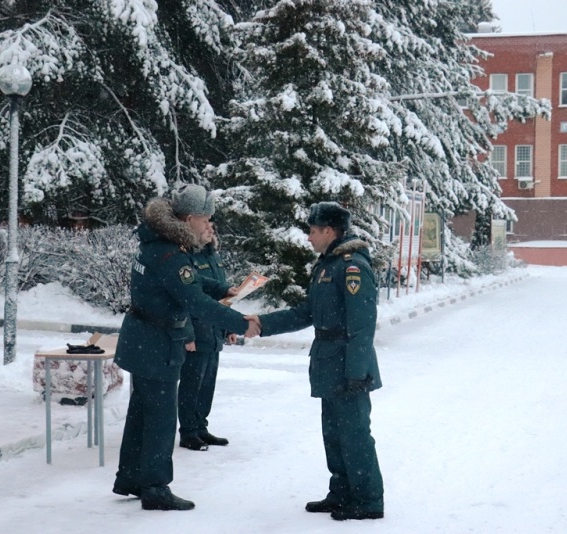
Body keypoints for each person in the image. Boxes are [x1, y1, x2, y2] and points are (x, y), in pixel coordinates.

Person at [112, 184, 260, 511]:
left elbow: (188, 279)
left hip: (143, 339)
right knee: (161, 418)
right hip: (156, 343)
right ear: (190, 218)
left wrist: (223, 287)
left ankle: (131, 477)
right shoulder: (170, 253)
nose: (209, 226)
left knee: (141, 412)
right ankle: (155, 488)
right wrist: (240, 323)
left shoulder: (160, 244)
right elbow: (194, 299)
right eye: (206, 219)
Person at [247, 201, 384, 521]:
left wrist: (356, 371)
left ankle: (367, 499)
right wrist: (262, 323)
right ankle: (342, 492)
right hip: (328, 361)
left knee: (354, 434)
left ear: (328, 230)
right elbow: (306, 313)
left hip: (348, 363)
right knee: (334, 433)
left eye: (312, 231)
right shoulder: (327, 265)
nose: (308, 237)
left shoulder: (352, 266)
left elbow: (362, 324)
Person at [177, 222, 237, 451]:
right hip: (197, 332)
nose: (212, 230)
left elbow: (223, 296)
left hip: (214, 330)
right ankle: (188, 432)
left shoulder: (213, 256)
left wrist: (229, 326)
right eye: (208, 226)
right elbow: (186, 299)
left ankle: (201, 428)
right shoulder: (187, 257)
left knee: (207, 385)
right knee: (191, 384)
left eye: (214, 226)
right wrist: (187, 333)